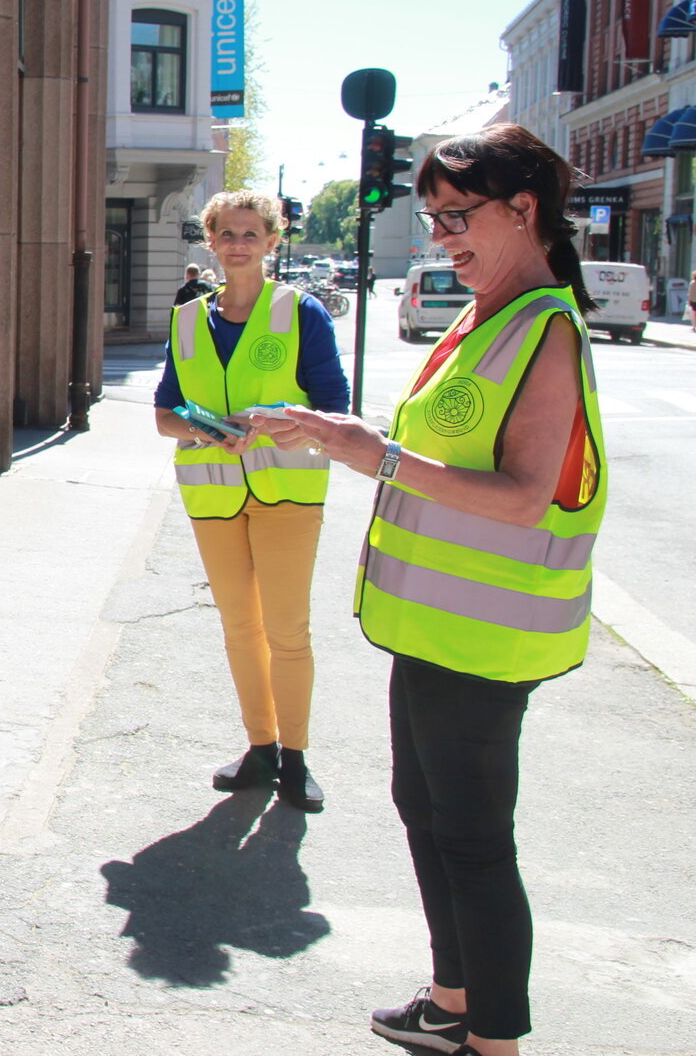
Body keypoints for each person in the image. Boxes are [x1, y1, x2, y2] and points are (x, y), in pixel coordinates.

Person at [269, 124, 606, 1056]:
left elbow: (523, 496)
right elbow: (445, 450)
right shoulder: (484, 313)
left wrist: (371, 455)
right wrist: (350, 435)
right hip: (433, 626)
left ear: (524, 209)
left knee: (473, 843)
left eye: (458, 217)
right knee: (428, 816)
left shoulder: (545, 326)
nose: (443, 238)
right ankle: (454, 1000)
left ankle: (493, 1040)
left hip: (487, 638)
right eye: (432, 220)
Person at [152, 190, 349, 812]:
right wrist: (200, 427)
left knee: (287, 628)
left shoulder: (300, 312)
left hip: (287, 491)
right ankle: (260, 747)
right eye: (227, 234)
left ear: (271, 241)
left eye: (251, 233)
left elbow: (336, 411)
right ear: (210, 241)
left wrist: (277, 422)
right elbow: (164, 415)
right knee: (240, 627)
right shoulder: (188, 319)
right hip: (213, 496)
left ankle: (295, 755)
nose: (238, 244)